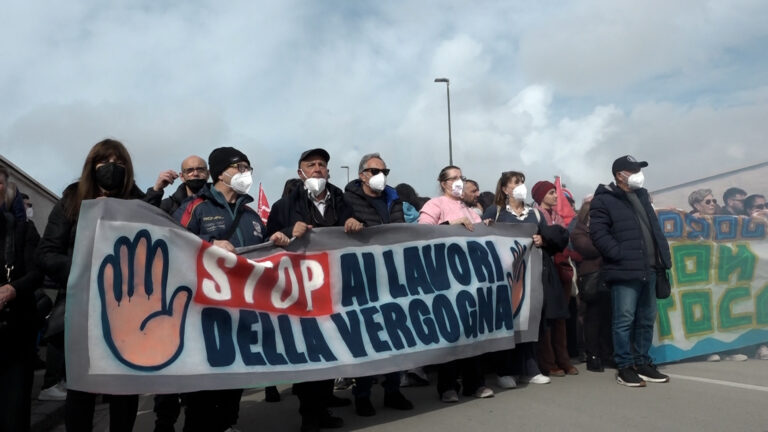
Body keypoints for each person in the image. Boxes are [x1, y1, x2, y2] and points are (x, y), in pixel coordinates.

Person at [36, 138, 176, 431]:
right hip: (82, 308)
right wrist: (82, 272)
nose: (111, 168)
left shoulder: (137, 204)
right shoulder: (73, 199)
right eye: (104, 162)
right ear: (92, 166)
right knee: (81, 391)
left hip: (128, 311)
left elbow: (162, 244)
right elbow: (47, 252)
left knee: (124, 390)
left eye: (119, 163)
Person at [174, 147, 289, 432]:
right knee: (205, 378)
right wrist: (209, 244)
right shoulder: (197, 206)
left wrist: (273, 242)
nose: (245, 173)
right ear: (220, 173)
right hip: (204, 309)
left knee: (237, 370)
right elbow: (172, 241)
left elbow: (260, 260)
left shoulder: (251, 215)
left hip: (242, 310)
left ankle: (228, 423)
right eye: (238, 167)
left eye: (248, 167)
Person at [265, 148, 362, 432]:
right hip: (302, 290)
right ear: (300, 173)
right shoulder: (283, 206)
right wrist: (285, 230)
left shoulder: (343, 202)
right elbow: (270, 241)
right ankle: (310, 415)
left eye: (322, 164)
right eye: (311, 165)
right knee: (311, 351)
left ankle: (323, 406)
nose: (318, 169)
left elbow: (360, 232)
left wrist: (356, 224)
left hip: (337, 287)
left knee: (332, 348)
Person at [590, 155, 672, 387]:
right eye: (633, 170)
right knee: (624, 320)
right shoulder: (604, 199)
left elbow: (653, 228)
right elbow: (598, 233)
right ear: (619, 175)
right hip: (625, 268)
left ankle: (643, 362)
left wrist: (662, 256)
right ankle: (624, 367)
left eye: (639, 169)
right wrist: (619, 254)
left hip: (651, 267)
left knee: (647, 318)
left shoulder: (643, 196)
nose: (638, 173)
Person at [342, 153, 413, 417]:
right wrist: (348, 224)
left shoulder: (395, 199)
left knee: (397, 333)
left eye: (384, 170)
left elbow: (404, 231)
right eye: (374, 171)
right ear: (361, 175)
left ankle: (393, 389)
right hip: (364, 278)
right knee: (368, 336)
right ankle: (362, 393)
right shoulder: (347, 199)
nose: (380, 175)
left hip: (394, 275)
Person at [418, 165, 493, 402]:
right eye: (455, 178)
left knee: (473, 331)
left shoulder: (471, 210)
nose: (460, 181)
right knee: (451, 331)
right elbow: (421, 234)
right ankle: (447, 386)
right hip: (446, 279)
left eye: (462, 177)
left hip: (471, 280)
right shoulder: (434, 205)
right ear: (443, 184)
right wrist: (449, 227)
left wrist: (486, 227)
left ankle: (475, 384)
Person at [482, 170, 563, 388]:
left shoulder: (533, 214)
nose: (520, 187)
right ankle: (505, 370)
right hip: (504, 277)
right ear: (505, 188)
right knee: (507, 322)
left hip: (530, 277)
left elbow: (549, 239)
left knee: (529, 322)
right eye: (516, 183)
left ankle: (529, 368)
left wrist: (542, 239)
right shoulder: (496, 211)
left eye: (522, 182)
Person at [0, 166, 43, 432]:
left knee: (13, 411)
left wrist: (11, 289)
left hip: (13, 333)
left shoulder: (24, 230)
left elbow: (38, 271)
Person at [530, 180, 577, 377]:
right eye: (551, 192)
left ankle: (564, 360)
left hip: (560, 270)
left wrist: (550, 238)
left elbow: (560, 239)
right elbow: (553, 238)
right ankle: (548, 363)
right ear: (541, 196)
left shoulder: (557, 216)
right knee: (546, 319)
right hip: (543, 271)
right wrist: (552, 238)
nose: (556, 196)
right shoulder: (534, 215)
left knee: (560, 317)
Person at [571, 198, 613, 372]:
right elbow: (589, 249)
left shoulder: (605, 229)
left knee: (608, 317)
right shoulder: (578, 231)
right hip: (591, 277)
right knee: (592, 318)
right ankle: (593, 355)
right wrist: (606, 242)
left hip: (608, 275)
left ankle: (607, 353)